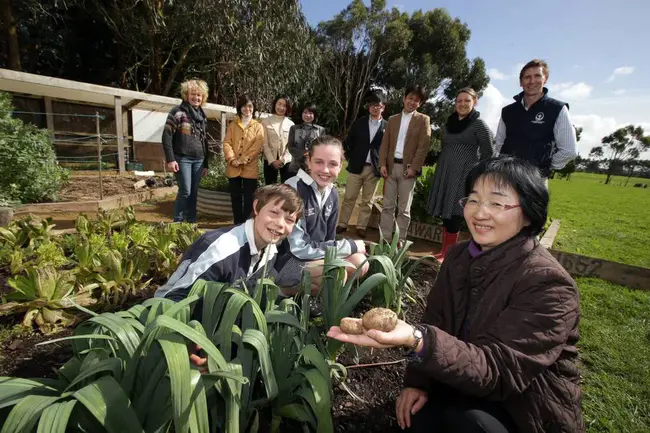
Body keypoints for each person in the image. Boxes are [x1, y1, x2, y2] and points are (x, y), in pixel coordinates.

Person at [328, 156, 584, 433]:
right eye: (473, 200)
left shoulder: (548, 283)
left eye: (497, 203)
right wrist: (417, 383)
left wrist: (417, 340)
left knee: (470, 424)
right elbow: (435, 320)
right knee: (417, 417)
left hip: (524, 406)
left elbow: (499, 372)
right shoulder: (460, 256)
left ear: (528, 213)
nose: (480, 213)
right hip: (461, 379)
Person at [154, 184, 303, 302]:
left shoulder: (270, 250)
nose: (280, 224)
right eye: (274, 213)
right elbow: (175, 299)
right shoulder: (222, 248)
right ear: (257, 207)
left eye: (289, 220)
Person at [276, 135, 369, 296]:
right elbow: (298, 249)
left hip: (313, 260)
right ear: (308, 161)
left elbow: (328, 240)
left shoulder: (332, 192)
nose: (325, 170)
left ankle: (314, 298)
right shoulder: (293, 190)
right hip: (287, 264)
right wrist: (349, 246)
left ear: (340, 167)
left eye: (332, 164)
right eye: (319, 162)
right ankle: (282, 293)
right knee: (338, 273)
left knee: (360, 262)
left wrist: (344, 249)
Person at [427, 87, 495, 262]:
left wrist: (477, 173)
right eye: (459, 101)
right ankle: (443, 250)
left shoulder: (479, 124)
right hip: (446, 172)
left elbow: (489, 152)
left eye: (467, 100)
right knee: (445, 211)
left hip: (464, 174)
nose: (462, 104)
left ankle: (449, 254)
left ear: (475, 102)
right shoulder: (449, 122)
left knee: (456, 211)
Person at [495, 59, 577, 180]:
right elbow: (499, 144)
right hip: (505, 178)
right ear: (521, 82)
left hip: (535, 181)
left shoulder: (557, 109)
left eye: (537, 76)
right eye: (527, 77)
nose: (532, 81)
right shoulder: (507, 111)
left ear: (545, 79)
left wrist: (544, 166)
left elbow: (569, 150)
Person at [378, 85, 431, 241]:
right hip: (390, 167)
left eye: (416, 100)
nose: (412, 102)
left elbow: (423, 146)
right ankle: (385, 239)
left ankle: (399, 241)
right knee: (387, 206)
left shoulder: (423, 120)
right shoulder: (393, 120)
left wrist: (414, 168)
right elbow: (385, 144)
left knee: (404, 209)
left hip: (408, 170)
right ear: (404, 98)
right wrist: (382, 164)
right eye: (410, 98)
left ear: (419, 103)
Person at [337, 92, 387, 238]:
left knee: (367, 200)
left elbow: (388, 148)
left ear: (383, 107)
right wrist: (349, 157)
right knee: (349, 197)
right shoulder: (360, 123)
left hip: (374, 169)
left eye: (377, 105)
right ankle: (342, 224)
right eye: (372, 105)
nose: (374, 108)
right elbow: (348, 142)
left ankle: (361, 226)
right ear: (369, 107)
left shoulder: (387, 127)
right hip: (356, 167)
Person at [162, 79, 210, 223]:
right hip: (182, 158)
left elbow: (204, 141)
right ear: (186, 95)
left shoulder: (202, 116)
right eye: (193, 94)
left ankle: (191, 222)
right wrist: (170, 159)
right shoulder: (177, 112)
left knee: (194, 193)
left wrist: (206, 163)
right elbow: (166, 135)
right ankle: (177, 222)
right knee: (185, 191)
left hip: (199, 159)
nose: (196, 98)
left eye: (199, 95)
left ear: (203, 97)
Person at [223, 94, 265, 224]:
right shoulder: (232, 125)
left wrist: (243, 160)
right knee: (235, 197)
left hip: (250, 168)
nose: (247, 109)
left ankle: (247, 224)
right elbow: (226, 143)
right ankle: (237, 223)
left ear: (253, 108)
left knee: (249, 199)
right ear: (239, 108)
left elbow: (257, 146)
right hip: (233, 167)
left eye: (250, 106)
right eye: (244, 106)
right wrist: (232, 159)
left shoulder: (258, 126)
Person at [261, 94, 295, 184]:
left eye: (284, 105)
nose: (281, 107)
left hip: (286, 161)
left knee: (287, 188)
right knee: (270, 188)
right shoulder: (265, 122)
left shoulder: (291, 124)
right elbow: (264, 144)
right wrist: (272, 161)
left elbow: (290, 145)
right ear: (275, 104)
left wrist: (283, 160)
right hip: (269, 160)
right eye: (279, 104)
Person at [286, 102, 326, 176]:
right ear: (301, 113)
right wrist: (303, 154)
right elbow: (291, 147)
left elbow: (322, 148)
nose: (308, 115)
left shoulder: (320, 130)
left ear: (314, 115)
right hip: (296, 167)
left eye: (310, 113)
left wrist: (311, 155)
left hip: (313, 168)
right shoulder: (294, 128)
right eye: (305, 112)